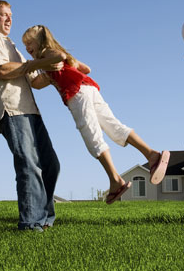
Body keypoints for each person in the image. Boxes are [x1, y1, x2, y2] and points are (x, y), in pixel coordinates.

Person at [22, 25, 170, 204]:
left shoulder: (48, 53)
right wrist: (47, 70)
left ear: (41, 42)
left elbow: (58, 58)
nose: (27, 48)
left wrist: (32, 65)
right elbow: (84, 69)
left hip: (77, 95)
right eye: (25, 45)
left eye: (30, 43)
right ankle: (152, 154)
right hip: (89, 88)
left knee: (92, 136)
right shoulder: (54, 59)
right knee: (114, 126)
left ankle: (116, 180)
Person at [0, 0, 64, 232]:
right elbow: (1, 70)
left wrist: (57, 69)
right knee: (28, 163)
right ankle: (30, 222)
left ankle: (44, 218)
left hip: (31, 111)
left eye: (11, 15)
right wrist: (37, 63)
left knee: (51, 164)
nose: (9, 19)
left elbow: (35, 80)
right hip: (10, 109)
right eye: (3, 15)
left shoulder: (13, 46)